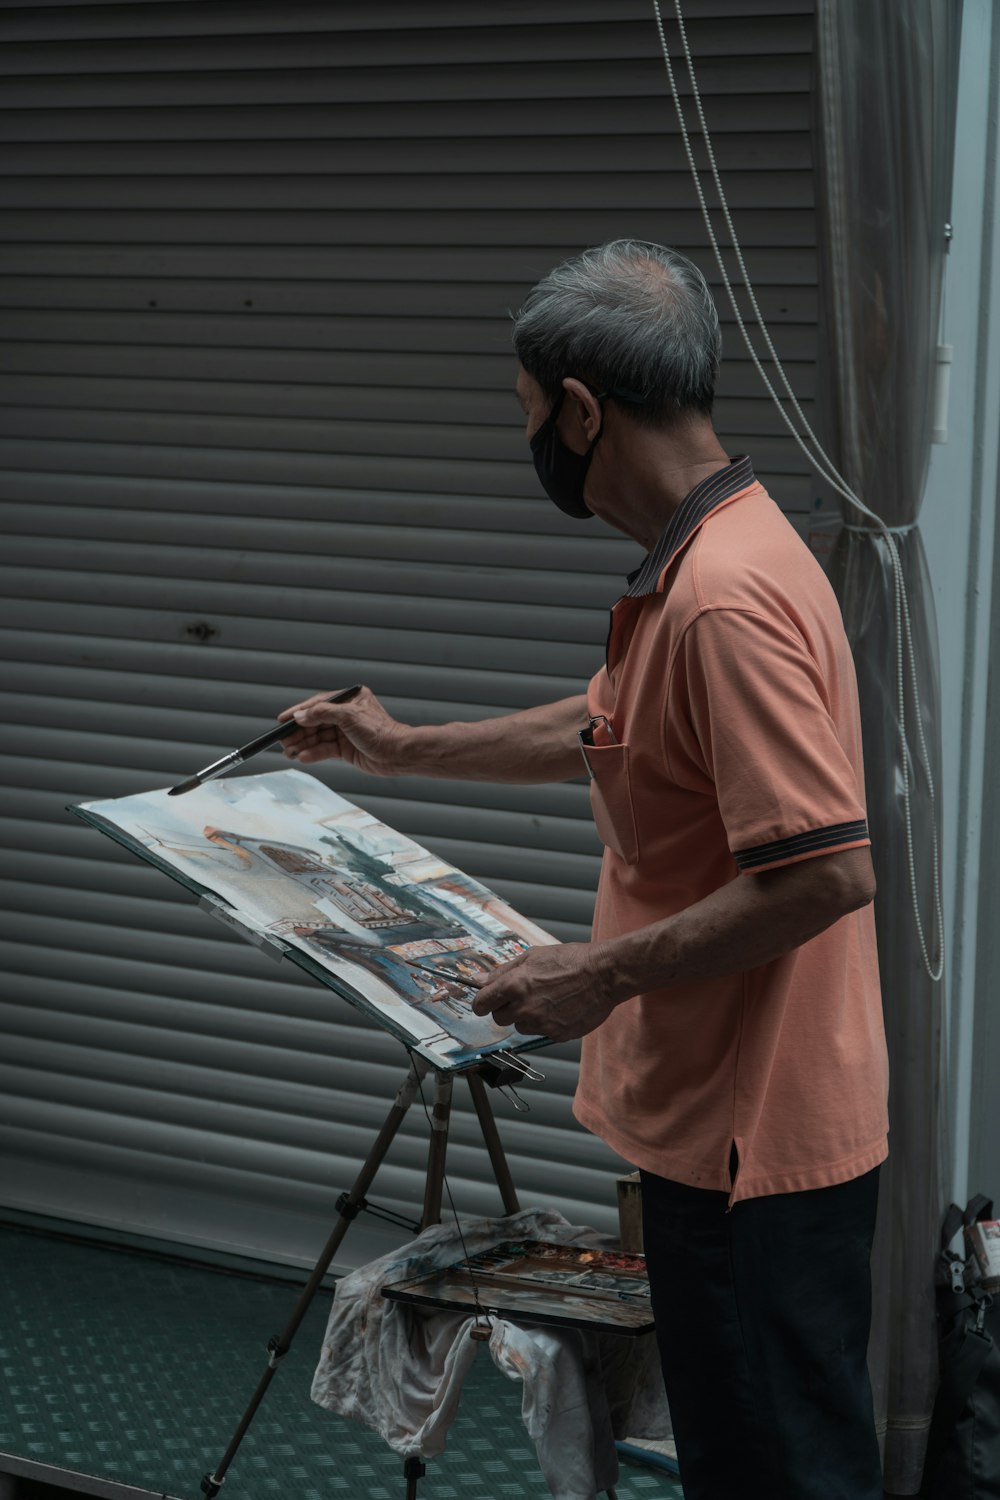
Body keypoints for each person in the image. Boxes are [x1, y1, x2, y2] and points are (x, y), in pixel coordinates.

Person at [278, 239, 889, 1500]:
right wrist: (395, 750)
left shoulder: (720, 597)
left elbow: (825, 871)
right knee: (747, 1454)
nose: (536, 450)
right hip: (726, 1129)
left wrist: (595, 976)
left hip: (751, 1145)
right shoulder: (718, 554)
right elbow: (600, 727)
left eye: (529, 420)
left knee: (774, 1468)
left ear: (581, 408)